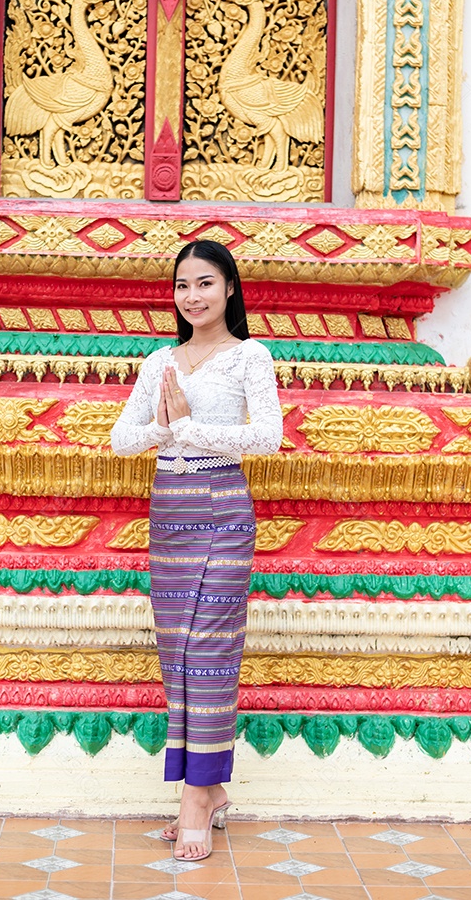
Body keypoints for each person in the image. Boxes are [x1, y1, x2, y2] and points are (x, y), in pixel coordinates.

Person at [110, 239, 283, 861]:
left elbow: (268, 436)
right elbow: (121, 439)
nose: (193, 296)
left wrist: (186, 428)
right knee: (177, 651)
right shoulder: (160, 360)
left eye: (205, 283)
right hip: (171, 509)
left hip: (223, 505)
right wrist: (164, 428)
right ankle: (210, 789)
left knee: (210, 650)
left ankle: (194, 800)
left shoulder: (250, 356)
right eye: (182, 285)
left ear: (229, 288)